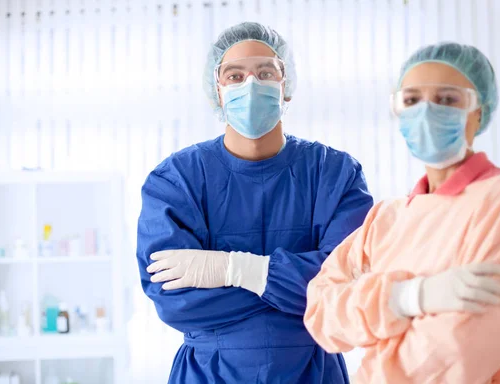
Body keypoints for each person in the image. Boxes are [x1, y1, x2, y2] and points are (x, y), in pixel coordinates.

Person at [136, 22, 373, 383]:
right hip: (209, 373)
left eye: (265, 72)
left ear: (286, 87)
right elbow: (174, 300)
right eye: (234, 75)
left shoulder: (334, 173)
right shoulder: (177, 179)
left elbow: (350, 288)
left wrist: (237, 271)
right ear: (216, 91)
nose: (250, 85)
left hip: (312, 371)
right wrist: (302, 286)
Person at [304, 42, 500, 383]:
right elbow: (322, 315)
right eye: (411, 100)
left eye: (447, 99)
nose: (426, 112)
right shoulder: (387, 217)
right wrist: (408, 298)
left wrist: (372, 327)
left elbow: (463, 347)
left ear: (479, 112)